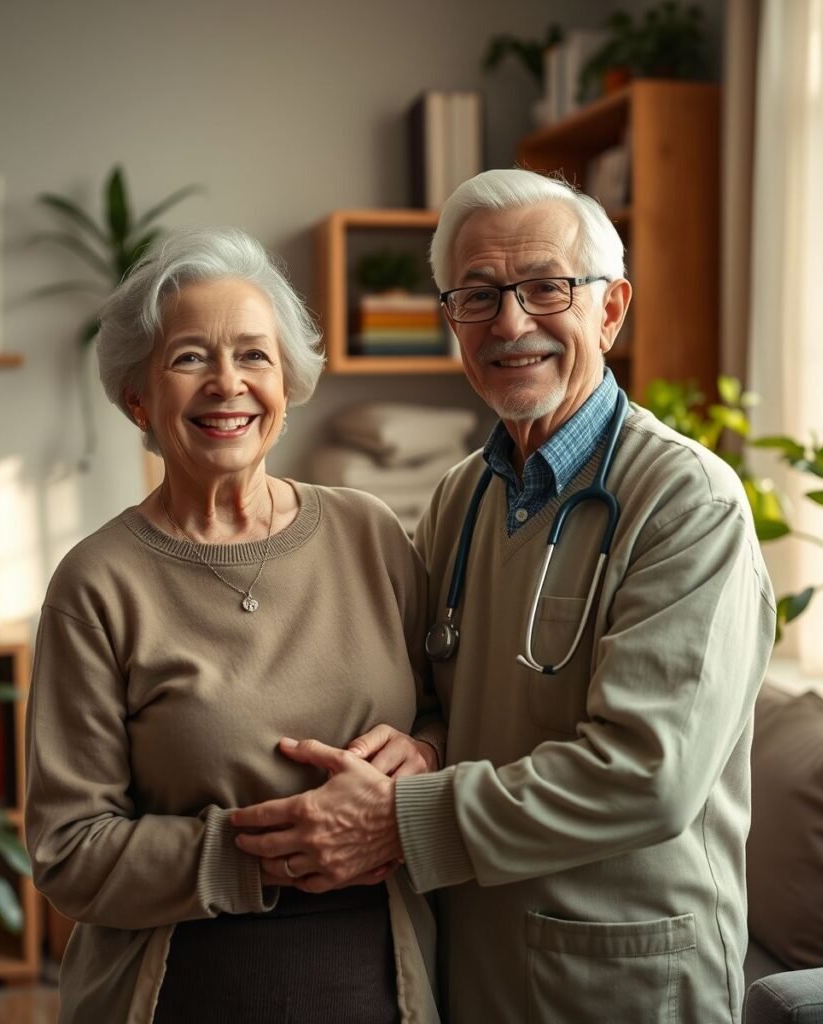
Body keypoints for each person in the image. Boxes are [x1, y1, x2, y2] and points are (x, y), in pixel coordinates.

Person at [233, 169, 778, 1023]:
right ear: (452, 319)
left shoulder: (687, 503)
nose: (510, 323)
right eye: (478, 295)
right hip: (471, 956)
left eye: (545, 287)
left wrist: (399, 820)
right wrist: (421, 746)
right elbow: (448, 698)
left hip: (619, 974)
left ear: (610, 308)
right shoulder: (460, 498)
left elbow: (649, 774)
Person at [24, 227, 443, 1024]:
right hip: (180, 989)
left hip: (390, 985)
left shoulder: (372, 533)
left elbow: (449, 715)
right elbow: (68, 852)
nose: (227, 384)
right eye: (189, 358)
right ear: (138, 398)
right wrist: (275, 852)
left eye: (254, 355)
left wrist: (423, 755)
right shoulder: (96, 584)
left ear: (287, 383)